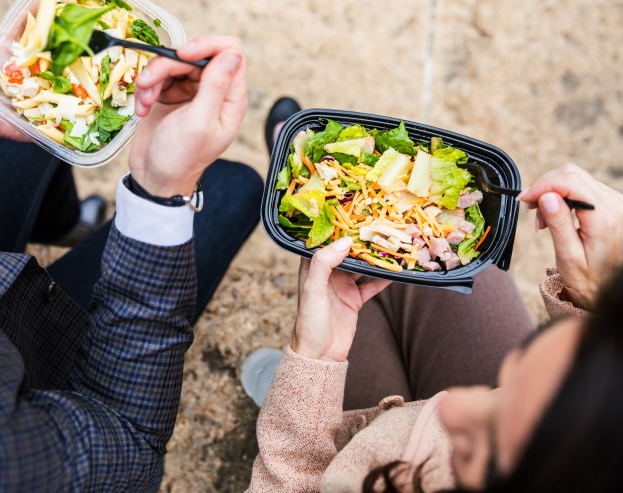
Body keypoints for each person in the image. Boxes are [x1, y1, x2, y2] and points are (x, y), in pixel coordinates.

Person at [0, 0, 262, 491]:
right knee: (235, 188)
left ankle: (63, 223)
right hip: (21, 357)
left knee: (24, 134)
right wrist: (162, 192)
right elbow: (129, 443)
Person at [247, 99, 623, 491]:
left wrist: (311, 370)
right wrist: (589, 296)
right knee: (475, 279)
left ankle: (283, 399)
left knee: (366, 288)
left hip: (354, 455)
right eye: (506, 386)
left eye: (483, 447)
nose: (451, 403)